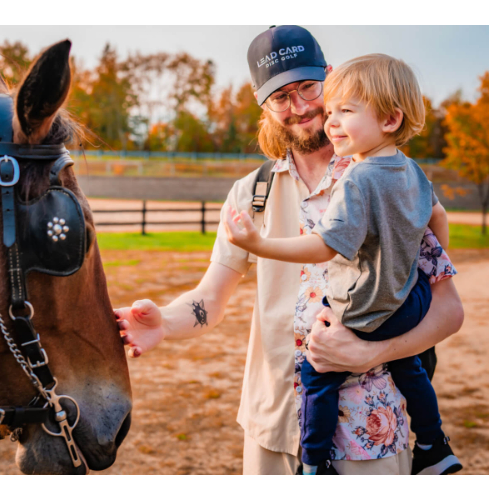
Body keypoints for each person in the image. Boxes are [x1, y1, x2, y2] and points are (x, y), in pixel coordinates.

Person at [115, 25, 464, 475]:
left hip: (371, 430)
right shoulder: (250, 194)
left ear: (331, 79)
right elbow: (210, 299)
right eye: (280, 97)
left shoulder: (393, 180)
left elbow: (446, 310)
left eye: (307, 88)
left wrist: (372, 353)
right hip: (272, 425)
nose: (298, 107)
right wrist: (164, 322)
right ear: (264, 106)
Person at [224, 53, 461, 475]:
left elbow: (324, 246)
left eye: (341, 110)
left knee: (318, 374)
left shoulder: (358, 177)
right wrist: (410, 275)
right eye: (331, 112)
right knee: (409, 368)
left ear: (389, 120)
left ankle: (313, 464)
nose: (329, 120)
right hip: (404, 305)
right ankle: (434, 443)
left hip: (364, 311)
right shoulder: (411, 171)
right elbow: (437, 218)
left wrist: (259, 244)